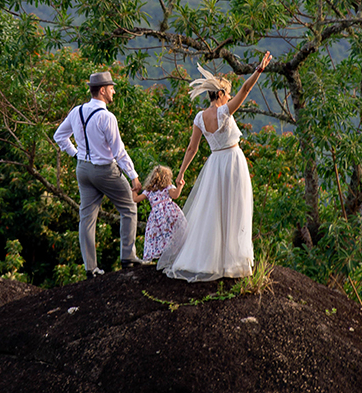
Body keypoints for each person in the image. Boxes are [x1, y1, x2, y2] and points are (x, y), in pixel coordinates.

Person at [157, 53, 272, 282]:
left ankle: (213, 260)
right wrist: (258, 70)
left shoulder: (200, 118)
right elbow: (246, 91)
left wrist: (181, 174)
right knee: (235, 208)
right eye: (227, 93)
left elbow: (192, 149)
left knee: (214, 211)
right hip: (232, 161)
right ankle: (233, 261)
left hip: (214, 164)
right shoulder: (223, 111)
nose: (230, 95)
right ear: (220, 95)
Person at [54, 71, 142, 279]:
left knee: (87, 218)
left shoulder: (77, 111)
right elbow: (119, 152)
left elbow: (59, 136)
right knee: (129, 207)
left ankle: (91, 268)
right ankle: (128, 256)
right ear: (102, 91)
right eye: (111, 88)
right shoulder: (107, 117)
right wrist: (134, 176)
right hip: (105, 171)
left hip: (83, 170)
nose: (114, 91)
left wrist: (75, 155)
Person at [134, 165, 186, 263]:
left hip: (156, 217)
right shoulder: (168, 187)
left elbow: (136, 199)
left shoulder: (149, 191)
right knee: (173, 231)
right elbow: (175, 195)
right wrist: (180, 186)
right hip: (170, 212)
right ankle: (175, 253)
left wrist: (134, 191)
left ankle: (162, 254)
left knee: (158, 234)